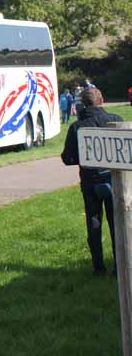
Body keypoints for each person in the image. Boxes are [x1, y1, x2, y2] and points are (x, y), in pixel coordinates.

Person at [61, 88, 122, 276]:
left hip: (90, 183)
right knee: (116, 224)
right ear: (101, 100)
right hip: (113, 181)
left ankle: (98, 267)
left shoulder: (77, 127)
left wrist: (81, 159)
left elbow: (67, 158)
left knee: (94, 223)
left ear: (83, 104)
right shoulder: (116, 121)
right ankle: (119, 266)